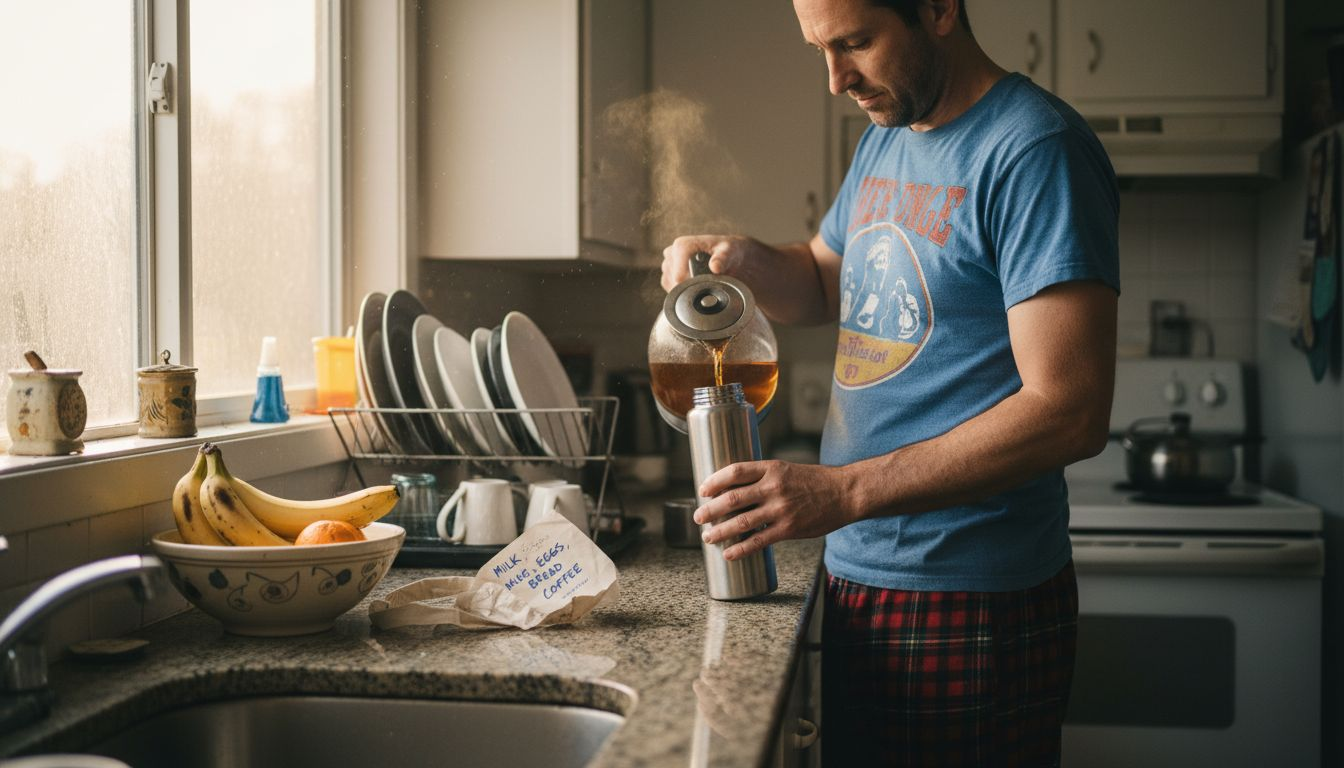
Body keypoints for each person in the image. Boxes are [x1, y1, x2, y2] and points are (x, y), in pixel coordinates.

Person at [660, 0, 1119, 764]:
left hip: (969, 595)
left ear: (939, 8)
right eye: (820, 50)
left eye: (856, 43)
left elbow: (1069, 410)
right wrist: (745, 259)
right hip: (861, 570)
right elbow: (825, 281)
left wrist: (841, 494)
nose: (837, 79)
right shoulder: (892, 132)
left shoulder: (1035, 149)